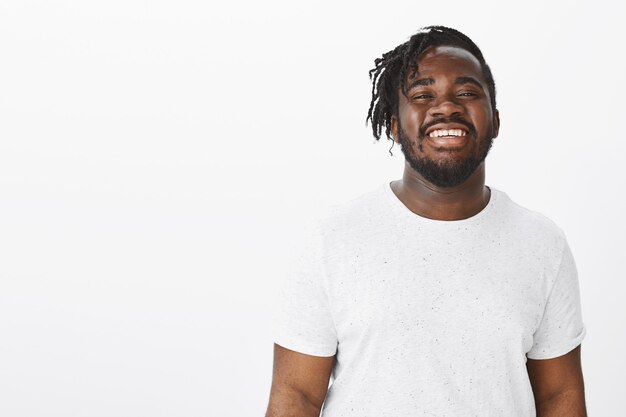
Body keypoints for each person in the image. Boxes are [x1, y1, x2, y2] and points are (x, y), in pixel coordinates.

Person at [265, 25, 587, 417]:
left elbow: (559, 397)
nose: (446, 107)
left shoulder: (541, 243)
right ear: (395, 125)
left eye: (467, 93)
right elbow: (297, 395)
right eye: (422, 95)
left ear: (496, 120)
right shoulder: (333, 239)